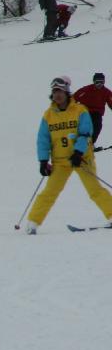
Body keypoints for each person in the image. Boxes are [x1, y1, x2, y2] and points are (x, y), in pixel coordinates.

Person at [25, 76, 112, 234]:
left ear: (66, 93)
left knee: (94, 189)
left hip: (82, 159)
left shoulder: (80, 110)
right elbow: (43, 139)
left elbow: (86, 133)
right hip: (60, 162)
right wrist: (43, 161)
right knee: (49, 193)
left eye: (60, 91)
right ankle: (33, 223)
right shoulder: (48, 115)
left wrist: (78, 152)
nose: (57, 95)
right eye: (54, 92)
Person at [73, 73, 112, 145]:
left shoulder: (106, 92)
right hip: (84, 111)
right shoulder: (86, 90)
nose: (99, 84)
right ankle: (78, 143)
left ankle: (90, 144)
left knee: (97, 126)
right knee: (84, 127)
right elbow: (74, 97)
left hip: (97, 113)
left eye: (102, 82)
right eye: (97, 82)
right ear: (94, 82)